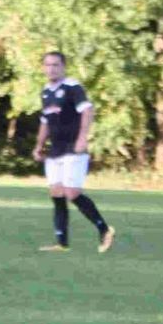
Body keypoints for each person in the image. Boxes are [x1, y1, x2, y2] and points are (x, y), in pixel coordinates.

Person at [32, 50, 115, 253]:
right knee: (56, 193)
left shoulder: (72, 87)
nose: (51, 69)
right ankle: (62, 243)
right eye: (48, 65)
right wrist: (39, 145)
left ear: (63, 67)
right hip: (55, 150)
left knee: (72, 192)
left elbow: (87, 110)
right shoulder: (45, 92)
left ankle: (104, 229)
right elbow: (45, 121)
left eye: (55, 65)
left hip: (73, 148)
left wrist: (82, 138)